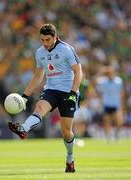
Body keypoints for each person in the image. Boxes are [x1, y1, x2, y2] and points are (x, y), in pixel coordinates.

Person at [8, 24, 83, 172]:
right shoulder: (40, 53)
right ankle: (23, 128)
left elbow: (78, 72)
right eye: (42, 40)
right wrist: (24, 96)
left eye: (48, 40)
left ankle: (70, 158)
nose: (45, 43)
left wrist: (73, 94)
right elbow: (38, 76)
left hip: (68, 92)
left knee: (66, 132)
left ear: (55, 37)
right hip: (51, 89)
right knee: (40, 108)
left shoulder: (67, 49)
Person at [96, 66, 124, 141]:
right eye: (108, 73)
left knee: (119, 122)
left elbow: (121, 93)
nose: (110, 74)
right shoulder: (103, 81)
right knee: (107, 122)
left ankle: (116, 134)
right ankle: (108, 137)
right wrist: (101, 72)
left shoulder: (119, 81)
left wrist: (122, 104)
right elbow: (94, 81)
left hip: (116, 104)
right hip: (107, 104)